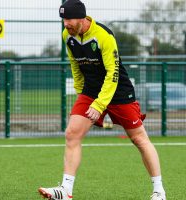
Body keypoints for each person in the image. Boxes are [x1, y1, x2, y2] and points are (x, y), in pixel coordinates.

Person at [38, 0, 166, 200]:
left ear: (82, 18)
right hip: (91, 90)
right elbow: (75, 65)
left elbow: (112, 73)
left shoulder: (104, 36)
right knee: (72, 134)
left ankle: (159, 191)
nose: (66, 24)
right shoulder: (67, 36)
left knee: (139, 139)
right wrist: (81, 92)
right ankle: (65, 190)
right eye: (63, 20)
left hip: (118, 91)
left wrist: (99, 104)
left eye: (69, 19)